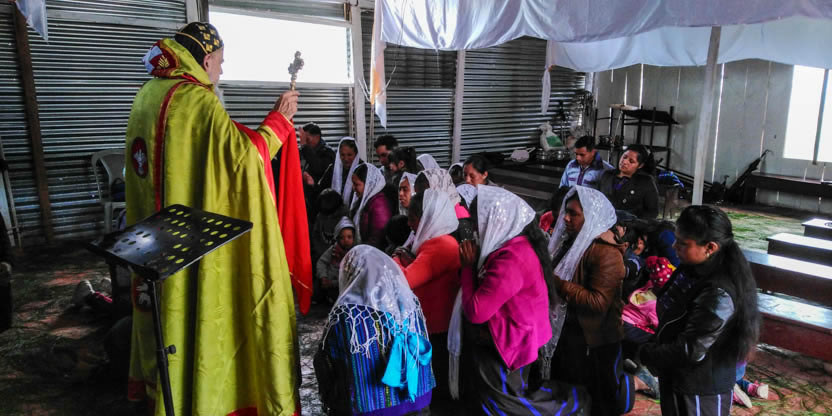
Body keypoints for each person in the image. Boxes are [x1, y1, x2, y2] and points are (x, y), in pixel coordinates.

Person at [125, 22, 303, 414]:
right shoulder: (195, 100)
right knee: (194, 318)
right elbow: (242, 160)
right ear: (206, 60)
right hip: (187, 246)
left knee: (161, 318)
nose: (221, 70)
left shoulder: (149, 93)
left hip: (150, 240)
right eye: (220, 62)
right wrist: (279, 121)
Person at [453, 185, 589, 415]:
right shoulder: (517, 243)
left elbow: (476, 312)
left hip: (513, 338)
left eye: (479, 222)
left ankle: (574, 403)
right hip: (520, 331)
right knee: (509, 395)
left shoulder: (511, 259)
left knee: (504, 403)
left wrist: (467, 267)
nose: (475, 229)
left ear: (496, 221)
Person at [637, 205, 761, 416]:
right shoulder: (693, 267)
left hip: (700, 387)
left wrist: (647, 353)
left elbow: (691, 349)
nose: (674, 246)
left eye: (682, 243)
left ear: (710, 247)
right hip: (677, 374)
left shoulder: (718, 291)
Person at [314, 245, 435, 415]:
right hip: (418, 399)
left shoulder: (346, 316)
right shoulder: (410, 305)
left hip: (370, 407)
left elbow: (325, 361)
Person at [547, 186, 635, 415]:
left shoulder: (605, 251)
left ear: (592, 216)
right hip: (570, 334)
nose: (566, 218)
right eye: (566, 211)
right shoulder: (572, 241)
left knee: (596, 398)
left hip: (593, 341)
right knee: (569, 395)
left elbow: (598, 302)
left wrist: (557, 284)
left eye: (573, 214)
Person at [393, 190, 461, 403]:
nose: (409, 224)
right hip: (434, 321)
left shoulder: (441, 246)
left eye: (413, 219)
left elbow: (406, 279)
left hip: (437, 325)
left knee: (436, 377)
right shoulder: (438, 241)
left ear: (427, 218)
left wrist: (395, 259)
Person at [599, 144, 660, 219]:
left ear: (640, 165)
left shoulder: (645, 182)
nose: (625, 162)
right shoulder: (607, 175)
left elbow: (653, 212)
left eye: (631, 161)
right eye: (624, 157)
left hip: (631, 224)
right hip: (604, 222)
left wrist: (631, 220)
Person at [351, 164, 393, 249]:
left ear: (368, 184)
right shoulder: (362, 200)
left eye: (356, 184)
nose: (353, 188)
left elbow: (377, 239)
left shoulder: (379, 204)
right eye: (353, 184)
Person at [315, 217, 356, 305]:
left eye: (349, 237)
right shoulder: (333, 250)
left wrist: (332, 283)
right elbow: (321, 262)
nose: (346, 240)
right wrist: (323, 277)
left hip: (341, 286)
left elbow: (351, 277)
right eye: (342, 238)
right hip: (328, 280)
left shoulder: (355, 254)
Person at [319, 137, 363, 205]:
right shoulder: (332, 169)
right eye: (342, 155)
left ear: (356, 154)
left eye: (349, 155)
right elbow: (322, 189)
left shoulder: (363, 169)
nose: (346, 158)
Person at [309, 188, 348, 265]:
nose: (328, 218)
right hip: (321, 256)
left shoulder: (345, 217)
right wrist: (321, 252)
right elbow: (315, 235)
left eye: (331, 215)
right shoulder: (321, 215)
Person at [300, 122, 335, 190]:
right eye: (303, 139)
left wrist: (305, 147)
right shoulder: (303, 150)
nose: (305, 142)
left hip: (318, 191)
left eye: (307, 139)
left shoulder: (328, 152)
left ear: (317, 137)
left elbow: (318, 169)